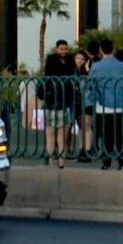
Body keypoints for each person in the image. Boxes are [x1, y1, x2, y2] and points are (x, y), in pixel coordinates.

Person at [88, 39, 123, 170]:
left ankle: (106, 162)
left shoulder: (96, 66)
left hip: (103, 104)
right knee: (120, 135)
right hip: (120, 103)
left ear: (101, 50)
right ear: (113, 49)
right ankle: (122, 161)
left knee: (106, 135)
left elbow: (90, 84)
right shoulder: (122, 66)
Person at [40, 39, 75, 168]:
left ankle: (61, 162)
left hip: (64, 101)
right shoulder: (51, 59)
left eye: (65, 49)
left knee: (61, 135)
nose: (64, 51)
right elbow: (49, 75)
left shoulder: (69, 59)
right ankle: (51, 160)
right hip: (53, 101)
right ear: (56, 49)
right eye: (61, 49)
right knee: (51, 134)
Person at [73, 49, 94, 163]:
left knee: (87, 126)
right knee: (81, 126)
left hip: (87, 101)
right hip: (76, 101)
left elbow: (90, 85)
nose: (79, 61)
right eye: (77, 58)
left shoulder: (88, 72)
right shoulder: (73, 71)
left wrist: (88, 70)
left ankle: (88, 149)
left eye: (82, 59)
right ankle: (81, 149)